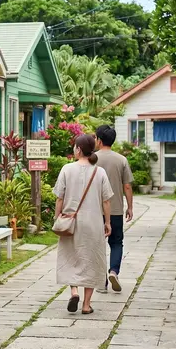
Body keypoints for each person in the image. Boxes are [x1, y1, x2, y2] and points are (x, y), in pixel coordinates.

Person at [53, 134, 114, 314]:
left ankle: (73, 291)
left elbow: (59, 198)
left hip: (71, 222)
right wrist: (108, 222)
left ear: (78, 150)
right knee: (91, 261)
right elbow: (106, 201)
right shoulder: (99, 172)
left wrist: (58, 218)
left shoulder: (66, 169)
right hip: (93, 222)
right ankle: (86, 305)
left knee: (71, 258)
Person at [94, 125, 134, 293]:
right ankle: (114, 272)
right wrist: (130, 207)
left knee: (97, 245)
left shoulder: (91, 159)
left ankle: (101, 283)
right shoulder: (121, 160)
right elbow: (127, 186)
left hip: (94, 211)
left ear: (99, 140)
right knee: (116, 242)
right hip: (116, 210)